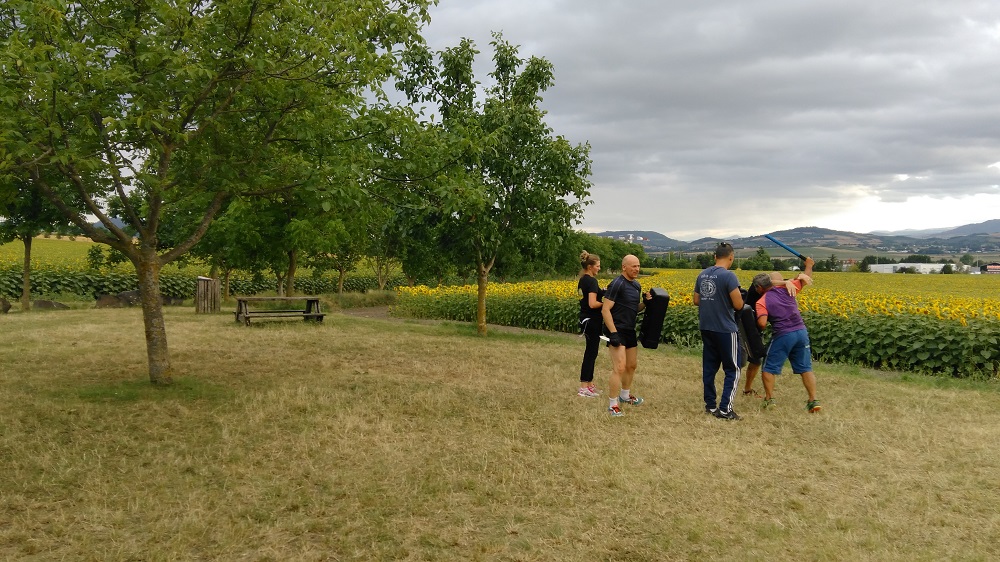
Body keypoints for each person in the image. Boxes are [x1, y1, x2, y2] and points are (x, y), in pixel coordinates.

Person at [753, 256, 822, 413]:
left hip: (784, 334)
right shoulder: (789, 289)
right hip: (801, 332)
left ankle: (770, 400)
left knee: (768, 367)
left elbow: (762, 323)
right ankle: (813, 400)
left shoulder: (762, 301)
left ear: (759, 287)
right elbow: (806, 279)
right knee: (806, 368)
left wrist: (758, 320)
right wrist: (809, 265)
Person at [693, 242, 745, 420]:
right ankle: (725, 409)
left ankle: (710, 405)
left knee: (709, 368)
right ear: (731, 257)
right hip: (725, 328)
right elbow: (738, 305)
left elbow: (696, 300)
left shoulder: (702, 274)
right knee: (733, 368)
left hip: (706, 327)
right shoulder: (729, 276)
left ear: (715, 257)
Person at [602, 254, 651, 417]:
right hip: (617, 330)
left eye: (638, 266)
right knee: (620, 367)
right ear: (624, 267)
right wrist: (613, 333)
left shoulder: (636, 286)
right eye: (633, 266)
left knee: (631, 365)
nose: (637, 269)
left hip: (629, 330)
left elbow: (633, 309)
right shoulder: (617, 284)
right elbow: (605, 309)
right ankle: (613, 404)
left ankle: (624, 395)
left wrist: (645, 303)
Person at [577, 251, 604, 397]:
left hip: (585, 319)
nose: (599, 268)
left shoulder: (583, 280)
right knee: (591, 353)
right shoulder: (592, 281)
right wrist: (605, 304)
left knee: (591, 352)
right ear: (590, 267)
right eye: (597, 266)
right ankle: (583, 387)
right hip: (592, 321)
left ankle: (589, 384)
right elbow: (593, 304)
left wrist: (603, 291)